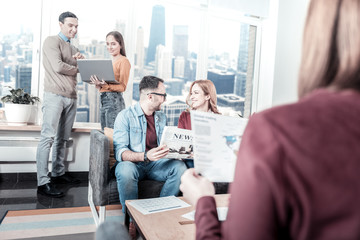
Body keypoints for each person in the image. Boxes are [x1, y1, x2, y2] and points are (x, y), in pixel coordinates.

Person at [180, 0, 360, 239]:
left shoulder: (275, 130)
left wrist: (203, 201)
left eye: (196, 93)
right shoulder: (187, 116)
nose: (192, 97)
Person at [113, 75, 187, 236]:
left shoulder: (161, 117)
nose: (165, 100)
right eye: (163, 96)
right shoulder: (124, 117)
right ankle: (131, 220)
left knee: (180, 167)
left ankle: (159, 213)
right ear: (150, 96)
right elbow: (121, 153)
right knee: (124, 170)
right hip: (135, 165)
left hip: (155, 164)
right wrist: (146, 156)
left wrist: (174, 150)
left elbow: (163, 145)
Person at [36, 11, 84, 198]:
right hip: (54, 96)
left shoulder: (73, 48)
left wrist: (81, 62)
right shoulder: (51, 41)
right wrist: (79, 67)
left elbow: (76, 69)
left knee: (62, 139)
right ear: (61, 24)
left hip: (71, 97)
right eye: (70, 25)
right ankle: (43, 182)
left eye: (76, 26)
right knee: (47, 138)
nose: (74, 29)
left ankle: (57, 173)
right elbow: (57, 66)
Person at [90, 31, 131, 129]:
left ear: (120, 45)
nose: (110, 47)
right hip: (104, 99)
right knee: (105, 133)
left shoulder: (124, 61)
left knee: (112, 134)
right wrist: (99, 85)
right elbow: (106, 85)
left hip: (114, 101)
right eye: (108, 44)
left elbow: (122, 87)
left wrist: (105, 86)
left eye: (113, 44)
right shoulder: (110, 62)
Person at [178, 79, 220, 168]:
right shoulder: (184, 116)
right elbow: (180, 145)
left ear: (207, 96)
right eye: (191, 93)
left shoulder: (218, 119)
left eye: (196, 93)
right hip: (190, 160)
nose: (191, 97)